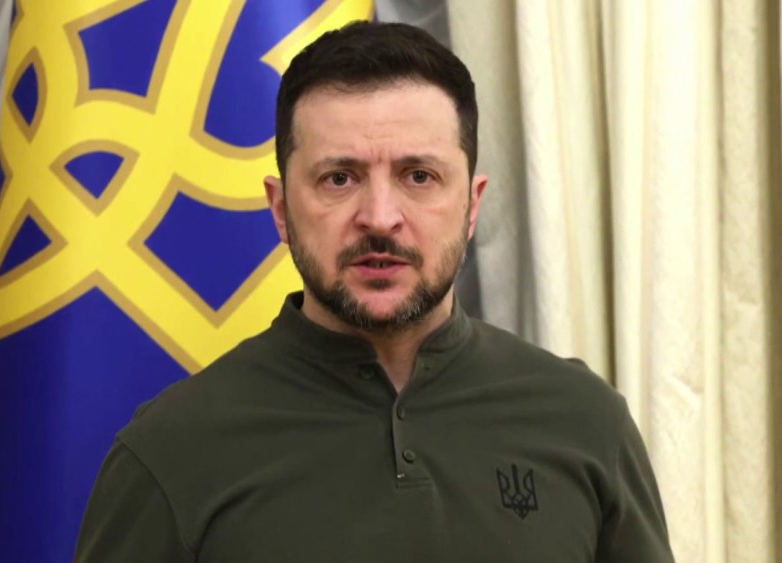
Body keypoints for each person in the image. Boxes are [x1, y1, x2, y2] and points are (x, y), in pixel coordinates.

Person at [75, 21, 675, 562]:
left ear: (472, 205)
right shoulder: (170, 453)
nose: (381, 217)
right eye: (339, 178)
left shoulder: (585, 423)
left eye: (419, 176)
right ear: (281, 209)